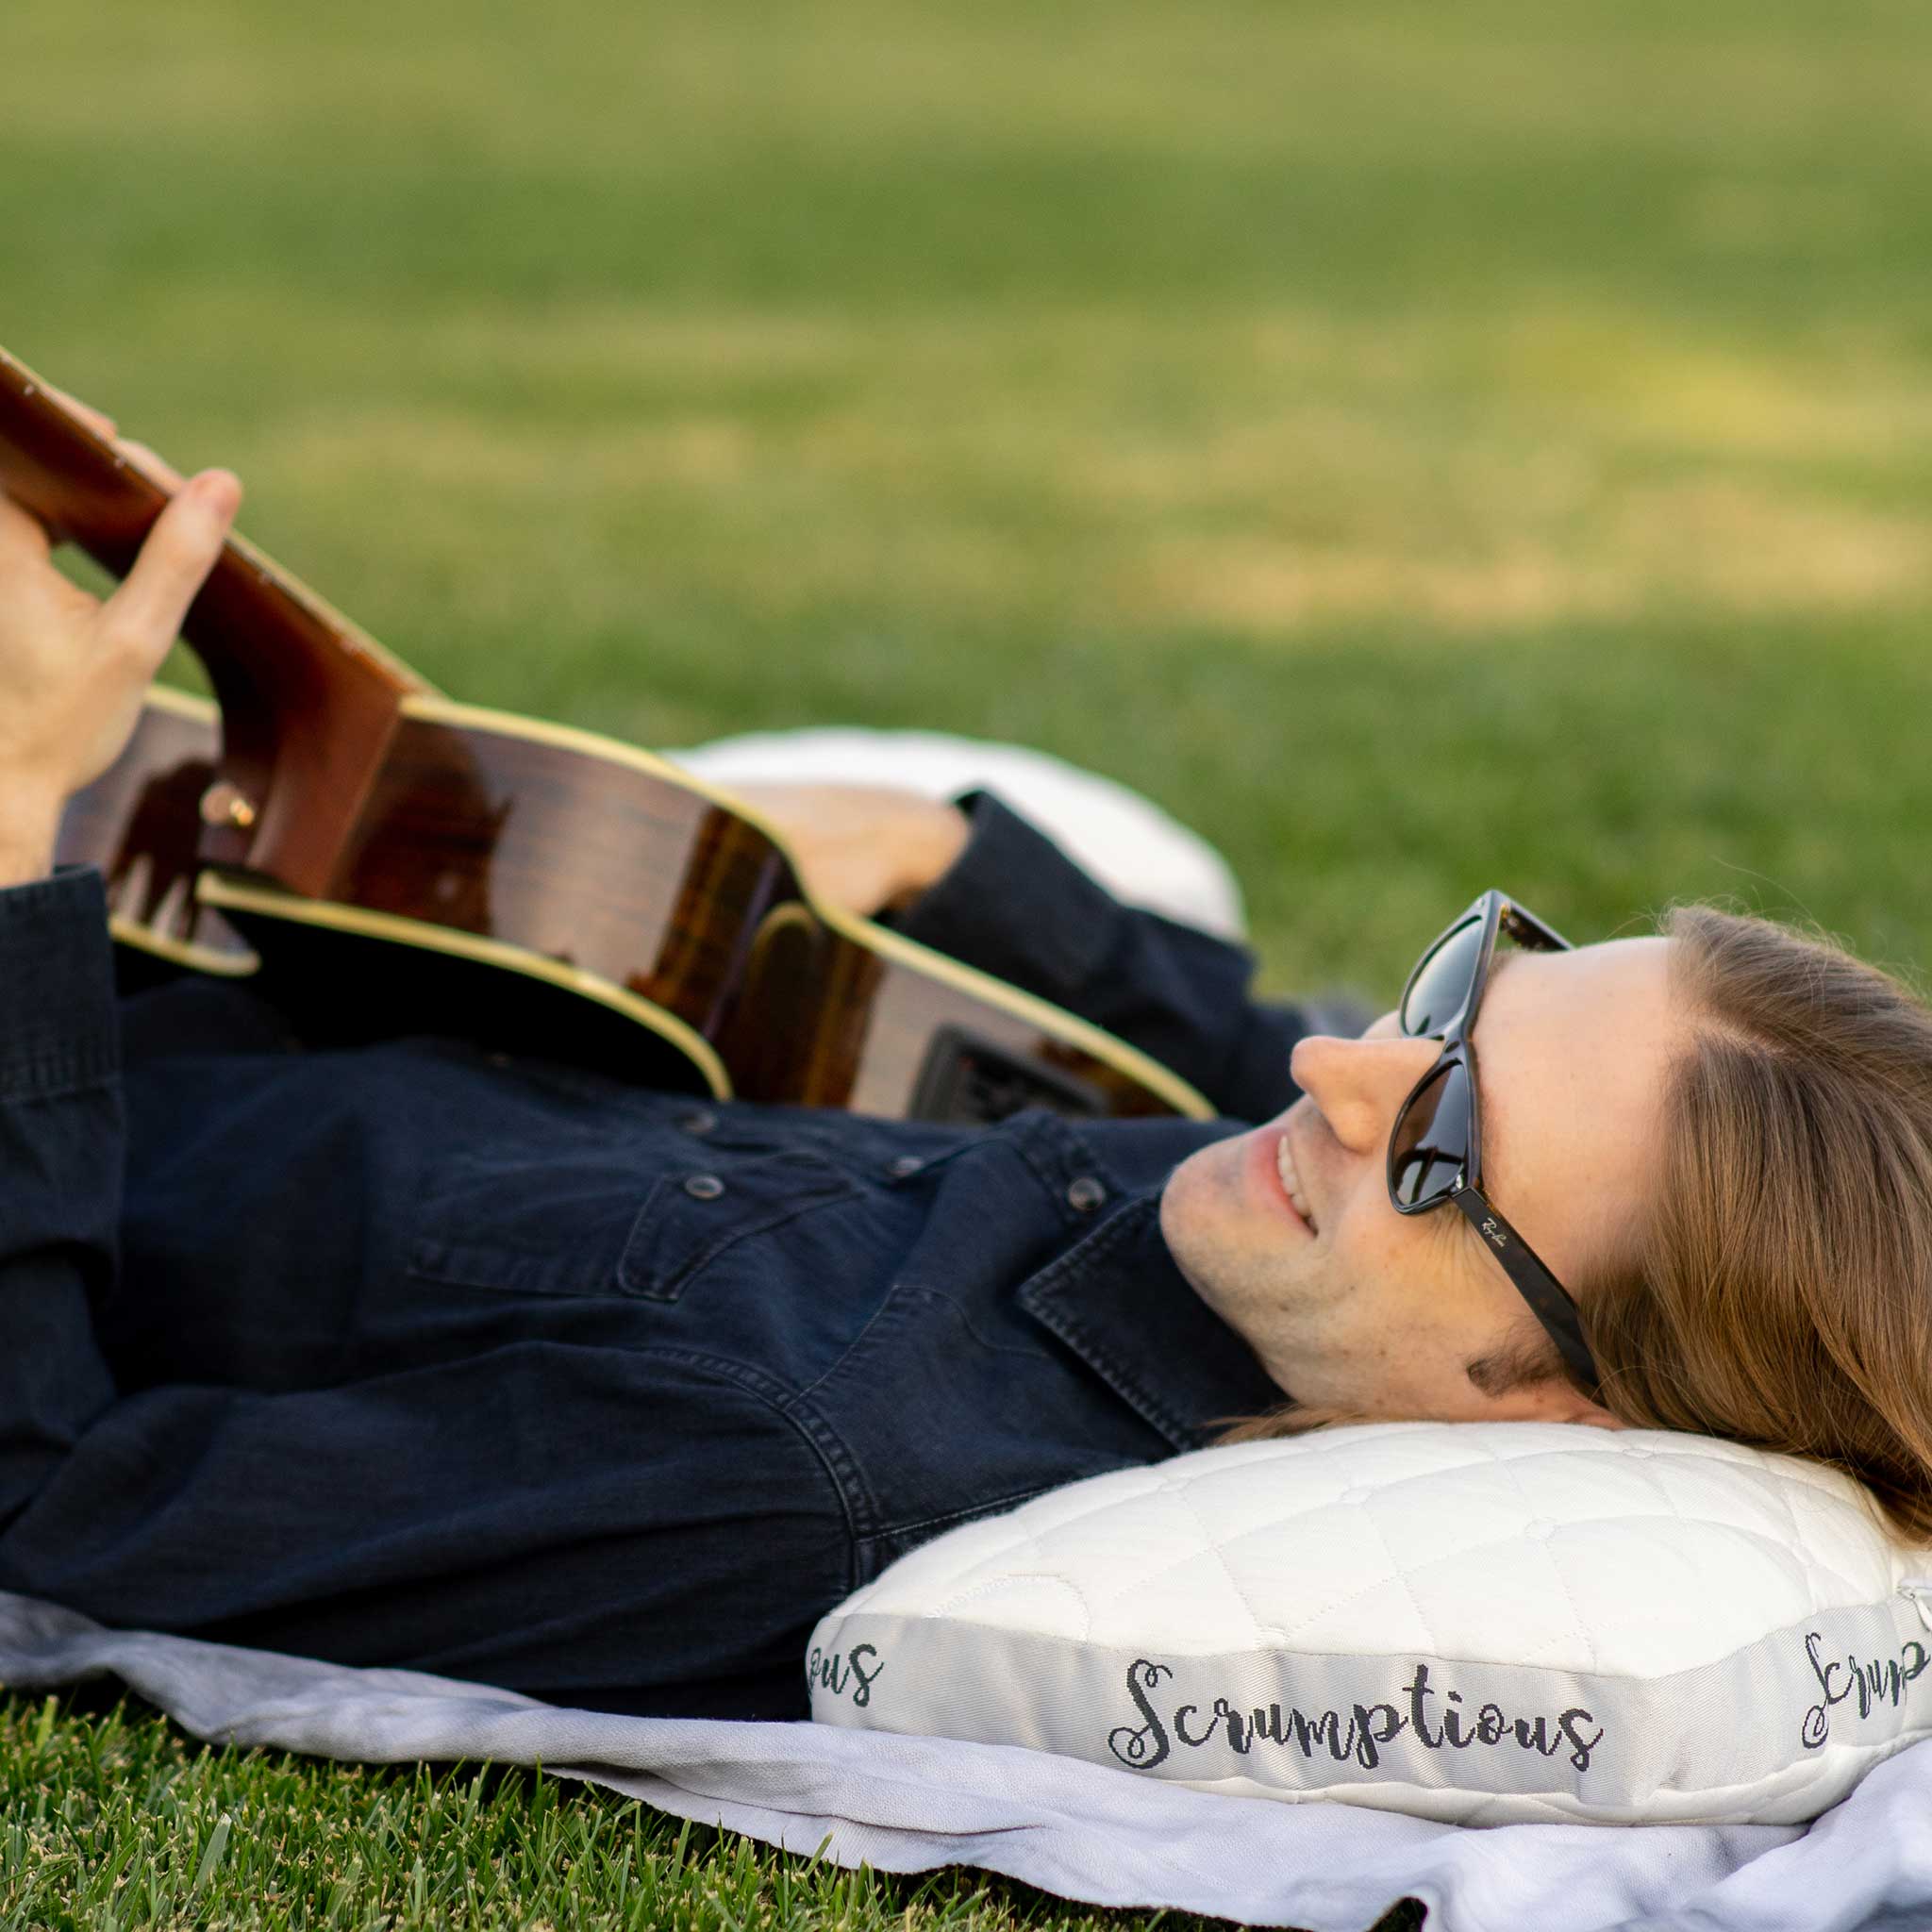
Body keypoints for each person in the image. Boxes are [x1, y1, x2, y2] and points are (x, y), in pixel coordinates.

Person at [6, 412, 1932, 1724]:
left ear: (1566, 1423)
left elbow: (62, 1516)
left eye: (1443, 1131)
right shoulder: (1309, 1257)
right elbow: (1221, 1027)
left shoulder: (790, 1477)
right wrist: (942, 856)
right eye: (1450, 1000)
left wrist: (15, 844)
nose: (1341, 1066)